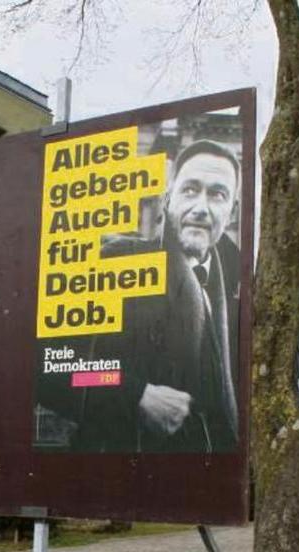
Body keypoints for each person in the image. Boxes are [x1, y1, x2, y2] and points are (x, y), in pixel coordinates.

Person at [73, 139, 241, 453]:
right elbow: (56, 369)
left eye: (217, 194)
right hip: (118, 476)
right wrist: (135, 394)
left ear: (231, 213)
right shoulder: (120, 260)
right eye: (190, 190)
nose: (201, 208)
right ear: (168, 199)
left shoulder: (237, 296)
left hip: (210, 483)